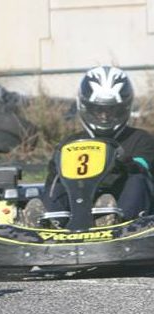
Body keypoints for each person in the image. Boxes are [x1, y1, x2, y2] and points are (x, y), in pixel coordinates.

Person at [25, 65, 154, 227]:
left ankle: (116, 220)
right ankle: (48, 219)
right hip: (76, 203)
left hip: (124, 203)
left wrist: (125, 161)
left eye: (112, 110)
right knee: (58, 182)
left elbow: (143, 166)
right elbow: (51, 181)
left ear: (125, 108)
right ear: (85, 107)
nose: (105, 116)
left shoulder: (140, 139)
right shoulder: (70, 143)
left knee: (137, 177)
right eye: (98, 110)